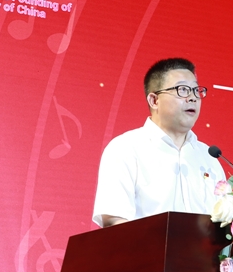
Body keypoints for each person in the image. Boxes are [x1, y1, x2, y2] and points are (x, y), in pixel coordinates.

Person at [93, 57, 226, 227]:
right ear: (154, 100)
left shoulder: (209, 157)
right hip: (145, 245)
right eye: (183, 90)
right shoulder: (125, 149)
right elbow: (114, 220)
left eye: (196, 90)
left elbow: (226, 224)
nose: (193, 98)